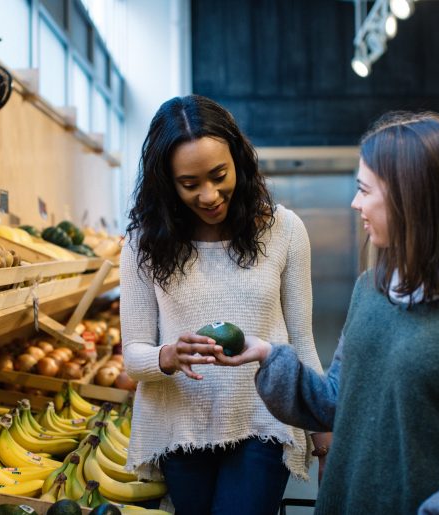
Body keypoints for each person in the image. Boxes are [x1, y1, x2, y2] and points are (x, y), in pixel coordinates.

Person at [215, 111, 439, 514]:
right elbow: (338, 400)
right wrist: (269, 356)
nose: (355, 203)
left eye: (365, 189)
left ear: (412, 197)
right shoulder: (370, 289)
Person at [120, 94, 331, 515]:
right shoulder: (143, 244)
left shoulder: (285, 230)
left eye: (219, 175)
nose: (210, 195)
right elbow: (132, 357)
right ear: (167, 182)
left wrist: (324, 429)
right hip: (179, 425)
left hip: (264, 420)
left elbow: (301, 339)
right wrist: (167, 355)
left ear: (238, 159)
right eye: (190, 184)